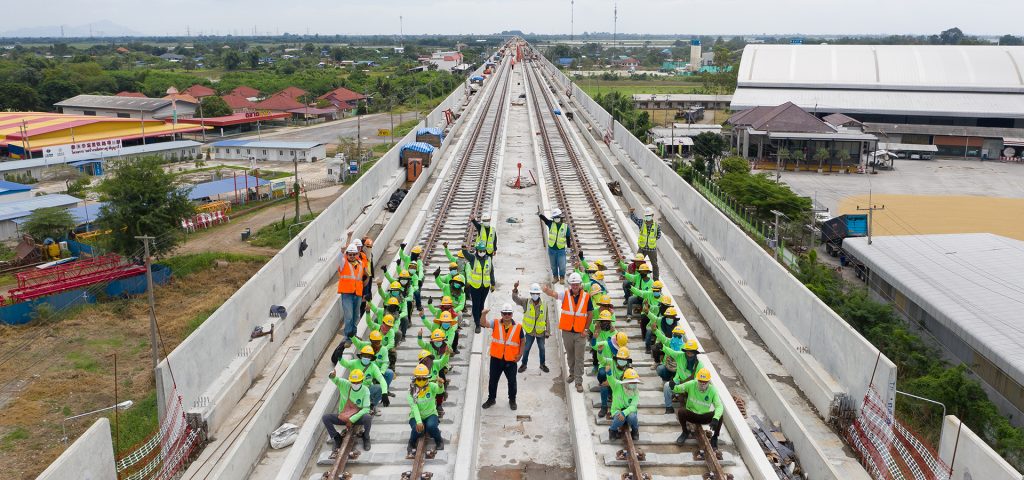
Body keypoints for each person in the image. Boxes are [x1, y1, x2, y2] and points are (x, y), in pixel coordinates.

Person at [542, 273, 592, 393]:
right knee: (570, 355)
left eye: (577, 284)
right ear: (570, 285)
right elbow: (554, 294)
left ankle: (579, 381)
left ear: (580, 285)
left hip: (580, 333)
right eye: (573, 284)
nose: (575, 286)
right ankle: (572, 374)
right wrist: (546, 290)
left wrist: (586, 329)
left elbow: (590, 314)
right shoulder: (565, 295)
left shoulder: (586, 297)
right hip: (567, 332)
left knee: (579, 357)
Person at [480, 304, 524, 410]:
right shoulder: (495, 323)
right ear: (501, 314)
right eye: (505, 313)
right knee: (493, 380)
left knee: (512, 381)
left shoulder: (518, 327)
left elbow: (523, 341)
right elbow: (483, 323)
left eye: (509, 313)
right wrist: (483, 314)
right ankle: (491, 399)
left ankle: (512, 400)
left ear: (512, 314)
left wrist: (520, 354)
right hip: (496, 359)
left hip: (511, 360)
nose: (507, 315)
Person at [323, 369, 372, 452]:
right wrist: (332, 375)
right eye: (353, 382)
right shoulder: (345, 384)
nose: (355, 384)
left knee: (367, 417)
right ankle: (336, 437)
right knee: (326, 418)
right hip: (343, 416)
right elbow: (335, 379)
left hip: (356, 418)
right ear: (350, 381)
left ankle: (366, 437)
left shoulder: (365, 390)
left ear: (362, 380)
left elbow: (366, 408)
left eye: (358, 382)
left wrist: (352, 419)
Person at [673, 368, 724, 448]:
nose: (702, 384)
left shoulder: (712, 390)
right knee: (681, 412)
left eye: (705, 382)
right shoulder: (691, 384)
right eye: (700, 381)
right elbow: (680, 388)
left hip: (704, 416)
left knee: (720, 415)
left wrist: (715, 418)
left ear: (708, 381)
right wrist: (673, 386)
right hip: (692, 414)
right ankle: (685, 432)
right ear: (697, 379)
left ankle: (715, 437)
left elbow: (719, 406)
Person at [655, 335, 702, 414]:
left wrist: (686, 386)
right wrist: (662, 347)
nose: (689, 354)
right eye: (688, 351)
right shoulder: (680, 356)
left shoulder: (699, 365)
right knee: (667, 386)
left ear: (695, 353)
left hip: (691, 386)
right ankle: (669, 407)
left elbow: (698, 381)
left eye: (692, 352)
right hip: (679, 381)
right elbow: (671, 352)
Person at [336, 345, 391, 414]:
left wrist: (384, 393)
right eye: (365, 356)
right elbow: (345, 363)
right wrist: (340, 358)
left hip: (366, 389)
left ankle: (372, 406)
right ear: (361, 356)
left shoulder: (373, 367)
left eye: (368, 356)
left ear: (371, 358)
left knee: (379, 388)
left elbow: (382, 380)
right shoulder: (354, 363)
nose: (366, 358)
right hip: (353, 388)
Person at [407, 364, 445, 455]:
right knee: (418, 429)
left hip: (430, 414)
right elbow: (414, 407)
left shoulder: (431, 386)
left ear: (427, 378)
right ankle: (411, 443)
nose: (421, 381)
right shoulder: (411, 391)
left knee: (431, 426)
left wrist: (440, 384)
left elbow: (440, 391)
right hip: (416, 416)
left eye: (424, 379)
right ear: (415, 379)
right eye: (419, 379)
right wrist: (419, 421)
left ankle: (439, 440)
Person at [512, 281, 549, 373]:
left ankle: (542, 364)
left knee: (542, 349)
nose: (535, 295)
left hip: (540, 332)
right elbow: (515, 299)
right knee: (526, 348)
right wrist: (515, 289)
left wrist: (547, 331)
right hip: (529, 331)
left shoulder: (544, 304)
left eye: (537, 293)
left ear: (539, 293)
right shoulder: (526, 302)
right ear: (531, 293)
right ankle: (524, 364)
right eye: (533, 293)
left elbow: (546, 318)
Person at [337, 240, 368, 344]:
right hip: (347, 294)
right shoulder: (343, 263)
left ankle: (354, 335)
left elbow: (364, 278)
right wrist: (342, 251)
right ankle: (347, 337)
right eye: (350, 254)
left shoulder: (361, 264)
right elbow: (339, 258)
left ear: (357, 254)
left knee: (356, 316)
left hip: (358, 293)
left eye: (354, 254)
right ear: (347, 255)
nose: (352, 256)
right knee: (349, 316)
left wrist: (364, 293)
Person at [464, 242, 495, 333]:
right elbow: (465, 254)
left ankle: (481, 321)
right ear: (477, 250)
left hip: (485, 287)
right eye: (480, 250)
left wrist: (492, 284)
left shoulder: (488, 259)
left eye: (483, 250)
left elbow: (491, 272)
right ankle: (477, 324)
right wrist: (464, 248)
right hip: (475, 287)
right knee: (476, 305)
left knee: (481, 304)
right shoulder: (473, 258)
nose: (482, 252)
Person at [597, 346, 632, 418]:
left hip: (621, 390)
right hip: (612, 386)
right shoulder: (611, 361)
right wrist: (600, 352)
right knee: (603, 386)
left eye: (624, 359)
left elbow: (627, 383)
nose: (621, 360)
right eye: (620, 358)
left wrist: (611, 381)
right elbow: (602, 360)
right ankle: (604, 407)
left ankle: (619, 409)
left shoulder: (629, 368)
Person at [538, 208, 571, 283]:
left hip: (561, 250)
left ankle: (562, 277)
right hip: (552, 249)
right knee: (553, 265)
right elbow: (545, 219)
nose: (556, 219)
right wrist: (540, 215)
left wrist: (568, 248)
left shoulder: (565, 227)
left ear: (560, 217)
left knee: (562, 265)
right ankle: (555, 277)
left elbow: (568, 238)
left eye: (557, 217)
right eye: (555, 217)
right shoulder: (550, 224)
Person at [629, 207, 663, 280]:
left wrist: (652, 240)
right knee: (636, 263)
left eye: (649, 215)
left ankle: (656, 280)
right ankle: (635, 278)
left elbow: (658, 235)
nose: (648, 217)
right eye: (646, 215)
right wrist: (631, 213)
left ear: (652, 215)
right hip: (642, 248)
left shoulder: (657, 226)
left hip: (652, 249)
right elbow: (635, 220)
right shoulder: (642, 223)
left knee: (655, 265)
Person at [608, 368, 641, 441]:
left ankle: (635, 430)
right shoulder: (617, 386)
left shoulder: (636, 392)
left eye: (634, 382)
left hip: (629, 412)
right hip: (617, 410)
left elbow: (633, 406)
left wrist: (624, 413)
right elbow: (610, 379)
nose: (633, 384)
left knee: (632, 416)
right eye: (631, 382)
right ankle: (612, 430)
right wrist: (608, 372)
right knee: (619, 417)